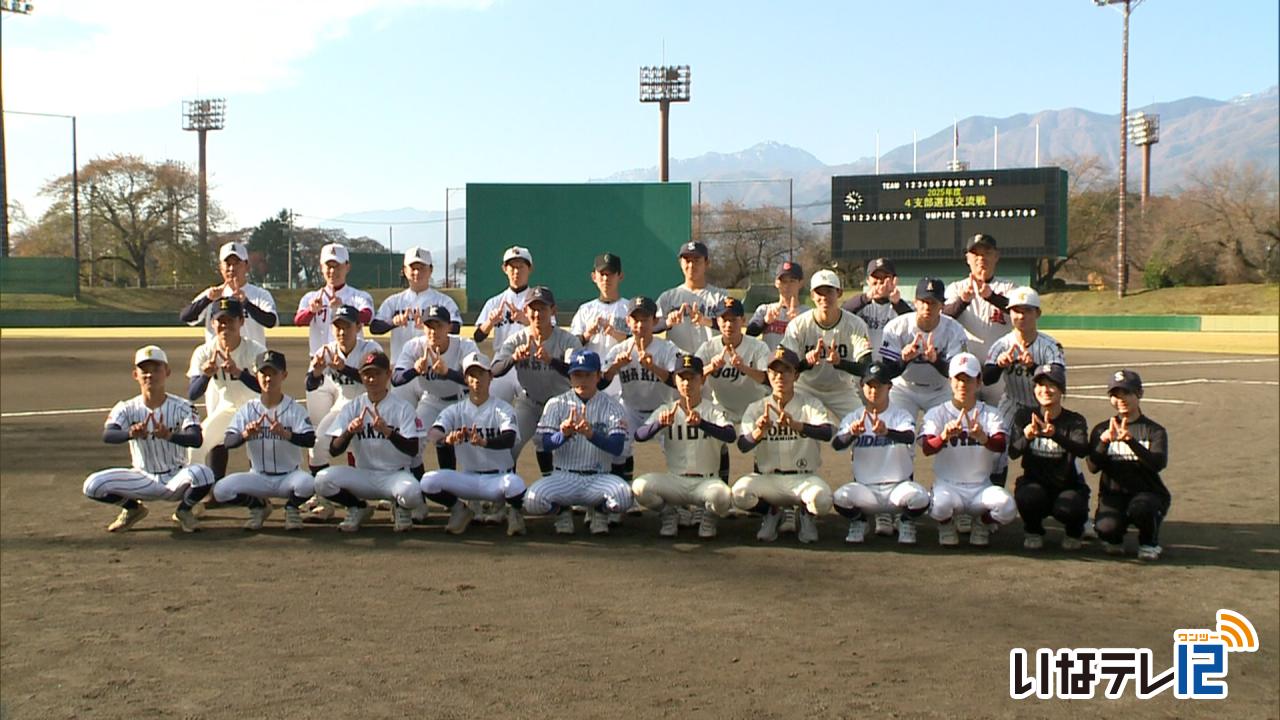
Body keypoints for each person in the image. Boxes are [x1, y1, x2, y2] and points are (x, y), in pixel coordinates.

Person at [82, 345, 215, 533]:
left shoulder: (183, 406)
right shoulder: (126, 407)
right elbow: (108, 435)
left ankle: (184, 511)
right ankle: (133, 509)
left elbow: (196, 439)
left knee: (204, 474)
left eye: (156, 370)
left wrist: (169, 436)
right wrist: (130, 434)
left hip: (175, 478)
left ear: (167, 372)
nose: (150, 375)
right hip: (141, 477)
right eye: (144, 370)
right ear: (135, 375)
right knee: (92, 485)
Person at [524, 349, 634, 535]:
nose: (582, 380)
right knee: (532, 501)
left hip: (598, 477)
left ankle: (599, 511)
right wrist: (562, 434)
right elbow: (544, 444)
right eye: (577, 375)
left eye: (588, 375)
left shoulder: (612, 406)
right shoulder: (556, 404)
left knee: (624, 497)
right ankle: (562, 512)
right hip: (564, 477)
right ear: (570, 377)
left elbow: (617, 448)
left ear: (599, 376)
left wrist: (592, 435)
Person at [732, 347, 836, 544]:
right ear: (768, 376)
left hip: (803, 478)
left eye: (786, 371)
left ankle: (806, 514)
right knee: (739, 493)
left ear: (796, 375)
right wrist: (758, 433)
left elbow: (827, 432)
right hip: (769, 479)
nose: (780, 376)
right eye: (774, 372)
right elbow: (743, 445)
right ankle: (772, 512)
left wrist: (796, 425)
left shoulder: (809, 404)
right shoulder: (756, 408)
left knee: (822, 500)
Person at [314, 351, 426, 533]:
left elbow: (413, 450)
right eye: (367, 374)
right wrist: (349, 432)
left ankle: (401, 508)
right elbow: (334, 450)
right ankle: (358, 507)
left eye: (377, 374)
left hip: (394, 475)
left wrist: (388, 432)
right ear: (360, 376)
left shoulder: (403, 408)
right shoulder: (353, 407)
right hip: (363, 475)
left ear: (388, 375)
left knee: (412, 493)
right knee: (321, 481)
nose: (371, 379)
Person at [419, 352, 528, 537]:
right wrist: (447, 439)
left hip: (498, 480)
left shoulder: (502, 408)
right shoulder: (456, 409)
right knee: (428, 482)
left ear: (490, 377)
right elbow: (433, 432)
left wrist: (484, 442)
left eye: (481, 374)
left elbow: (509, 438)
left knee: (516, 485)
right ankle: (460, 509)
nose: (476, 380)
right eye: (472, 375)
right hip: (468, 479)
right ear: (465, 379)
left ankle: (514, 512)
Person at [632, 354, 737, 539]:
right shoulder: (667, 410)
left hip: (706, 481)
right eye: (682, 378)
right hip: (676, 481)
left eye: (692, 378)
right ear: (675, 380)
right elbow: (639, 436)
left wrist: (703, 424)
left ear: (702, 379)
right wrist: (659, 425)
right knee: (640, 487)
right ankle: (669, 514)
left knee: (723, 496)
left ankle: (708, 516)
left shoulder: (713, 410)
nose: (687, 383)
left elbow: (730, 435)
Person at [920, 353, 1016, 547]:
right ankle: (946, 525)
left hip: (981, 487)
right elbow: (927, 448)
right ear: (950, 381)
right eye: (958, 379)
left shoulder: (990, 413)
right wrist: (944, 437)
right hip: (948, 485)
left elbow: (1000, 444)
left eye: (968, 380)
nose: (963, 385)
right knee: (939, 506)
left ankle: (982, 524)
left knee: (1007, 508)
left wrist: (983, 437)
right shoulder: (937, 413)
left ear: (979, 382)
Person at [214, 350, 318, 531]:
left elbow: (310, 440)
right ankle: (258, 507)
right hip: (258, 478)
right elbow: (229, 441)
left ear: (283, 375)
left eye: (273, 373)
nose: (268, 378)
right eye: (264, 373)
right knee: (221, 490)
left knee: (310, 483)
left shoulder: (294, 408)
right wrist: (245, 435)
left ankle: (291, 508)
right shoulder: (248, 409)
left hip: (289, 477)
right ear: (256, 375)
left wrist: (287, 435)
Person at [831, 362, 928, 545]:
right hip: (866, 490)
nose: (874, 390)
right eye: (869, 385)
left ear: (889, 386)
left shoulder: (900, 415)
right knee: (839, 498)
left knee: (921, 497)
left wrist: (887, 432)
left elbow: (908, 437)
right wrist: (852, 434)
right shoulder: (854, 417)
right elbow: (837, 444)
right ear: (862, 386)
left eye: (879, 385)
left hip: (897, 488)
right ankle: (859, 521)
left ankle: (906, 522)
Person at [491, 286, 582, 475]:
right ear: (526, 310)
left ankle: (557, 491)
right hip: (529, 402)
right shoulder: (517, 339)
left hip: (561, 402)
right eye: (533, 308)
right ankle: (509, 493)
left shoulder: (567, 340)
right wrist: (513, 359)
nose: (537, 313)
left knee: (564, 452)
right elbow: (495, 370)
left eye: (543, 308)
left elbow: (578, 373)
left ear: (553, 311)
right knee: (509, 447)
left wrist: (551, 361)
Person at [981, 286, 1066, 487]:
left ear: (1037, 313)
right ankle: (995, 500)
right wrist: (1000, 365)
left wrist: (1033, 368)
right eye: (1016, 311)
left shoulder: (1049, 346)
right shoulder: (1001, 345)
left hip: (1046, 406)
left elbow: (1059, 380)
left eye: (1027, 310)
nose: (1021, 316)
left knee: (1060, 447)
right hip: (1012, 402)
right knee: (996, 451)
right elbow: (986, 379)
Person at [1087, 370, 1170, 561]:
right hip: (1114, 495)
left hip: (1148, 493)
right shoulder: (1102, 429)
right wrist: (1104, 442)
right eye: (1116, 395)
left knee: (1142, 508)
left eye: (1127, 393)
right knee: (1106, 529)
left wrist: (1130, 441)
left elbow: (1158, 464)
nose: (1121, 399)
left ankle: (1149, 542)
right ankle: (1115, 535)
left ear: (1140, 394)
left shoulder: (1154, 430)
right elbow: (1092, 467)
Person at [1008, 364, 1091, 551]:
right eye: (1040, 385)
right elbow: (1013, 452)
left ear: (1062, 389)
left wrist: (1055, 434)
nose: (1045, 390)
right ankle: (1033, 530)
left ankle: (1074, 531)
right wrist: (1027, 438)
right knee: (1028, 496)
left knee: (1070, 506)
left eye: (1051, 385)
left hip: (1067, 484)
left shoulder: (1074, 420)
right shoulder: (1024, 416)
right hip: (1034, 483)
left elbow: (1082, 449)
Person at [369, 246, 462, 408]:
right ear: (404, 270)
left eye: (422, 268)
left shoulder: (443, 301)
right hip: (403, 369)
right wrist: (393, 322)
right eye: (413, 268)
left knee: (430, 419)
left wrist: (430, 326)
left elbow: (455, 327)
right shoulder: (394, 301)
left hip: (433, 371)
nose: (417, 273)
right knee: (403, 421)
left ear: (430, 270)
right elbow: (375, 327)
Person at [602, 296, 678, 493]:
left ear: (654, 322)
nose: (640, 324)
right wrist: (615, 367)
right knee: (619, 448)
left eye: (645, 319)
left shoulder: (666, 349)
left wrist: (653, 367)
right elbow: (601, 382)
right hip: (630, 408)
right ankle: (621, 494)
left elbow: (676, 381)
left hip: (661, 408)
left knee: (677, 453)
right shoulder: (620, 350)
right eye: (635, 319)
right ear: (628, 321)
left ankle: (680, 500)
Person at [187, 298, 267, 480]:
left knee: (261, 456)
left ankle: (261, 495)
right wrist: (205, 376)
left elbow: (265, 389)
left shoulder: (255, 350)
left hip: (258, 410)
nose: (225, 326)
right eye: (220, 321)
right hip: (228, 407)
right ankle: (201, 491)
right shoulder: (204, 352)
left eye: (230, 320)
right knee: (196, 447)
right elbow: (192, 393)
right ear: (213, 323)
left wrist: (238, 372)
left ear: (241, 321)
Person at [391, 305, 477, 472]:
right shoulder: (414, 347)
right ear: (423, 327)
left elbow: (475, 380)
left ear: (449, 327)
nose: (433, 331)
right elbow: (396, 379)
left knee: (471, 449)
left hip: (462, 400)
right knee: (413, 444)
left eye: (439, 326)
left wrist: (448, 373)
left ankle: (472, 493)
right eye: (429, 326)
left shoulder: (464, 346)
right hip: (431, 400)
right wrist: (414, 370)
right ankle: (416, 492)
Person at [695, 296, 770, 486]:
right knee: (713, 443)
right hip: (723, 406)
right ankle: (718, 490)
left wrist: (744, 368)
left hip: (753, 405)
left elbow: (767, 379)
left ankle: (762, 493)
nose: (728, 324)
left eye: (734, 319)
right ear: (717, 321)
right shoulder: (708, 347)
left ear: (743, 321)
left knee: (761, 443)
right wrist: (709, 368)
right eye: (724, 319)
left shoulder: (757, 346)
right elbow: (691, 379)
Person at [780, 268, 872, 420]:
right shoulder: (799, 325)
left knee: (863, 426)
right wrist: (806, 363)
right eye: (819, 292)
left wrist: (840, 363)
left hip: (842, 389)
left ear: (839, 293)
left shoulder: (855, 324)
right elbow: (785, 366)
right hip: (806, 387)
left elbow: (866, 367)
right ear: (812, 295)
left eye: (829, 291)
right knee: (791, 425)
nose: (824, 297)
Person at [305, 305, 383, 476]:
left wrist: (344, 368)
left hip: (373, 407)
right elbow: (310, 385)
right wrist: (317, 373)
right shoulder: (327, 351)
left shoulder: (371, 349)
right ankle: (322, 492)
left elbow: (377, 382)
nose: (342, 332)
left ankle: (386, 493)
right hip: (343, 406)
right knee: (317, 445)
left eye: (347, 326)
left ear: (359, 327)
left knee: (379, 454)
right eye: (338, 326)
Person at [878, 277, 969, 419]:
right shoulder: (896, 327)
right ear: (915, 302)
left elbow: (957, 373)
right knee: (899, 433)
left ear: (942, 305)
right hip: (904, 388)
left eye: (933, 303)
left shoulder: (955, 329)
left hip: (940, 390)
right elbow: (886, 372)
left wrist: (935, 360)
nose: (927, 307)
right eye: (923, 301)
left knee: (943, 434)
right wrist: (904, 360)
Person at [943, 234, 1017, 405]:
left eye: (986, 253)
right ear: (967, 258)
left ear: (996, 256)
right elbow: (943, 318)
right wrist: (963, 301)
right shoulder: (956, 288)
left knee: (1000, 421)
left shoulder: (1008, 287)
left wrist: (991, 297)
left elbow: (1018, 310)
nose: (981, 258)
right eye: (976, 254)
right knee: (964, 421)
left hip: (999, 369)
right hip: (965, 370)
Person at [472, 246, 547, 405]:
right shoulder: (495, 302)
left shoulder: (539, 300)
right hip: (503, 361)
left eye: (521, 266)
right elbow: (477, 336)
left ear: (530, 269)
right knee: (490, 405)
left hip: (530, 362)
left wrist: (526, 320)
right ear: (504, 269)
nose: (516, 271)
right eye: (512, 267)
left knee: (532, 409)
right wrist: (489, 323)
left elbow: (551, 331)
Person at [179, 241, 278, 348]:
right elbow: (186, 317)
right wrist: (207, 299)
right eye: (228, 264)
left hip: (251, 358)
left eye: (237, 263)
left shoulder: (260, 294)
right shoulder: (212, 294)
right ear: (220, 267)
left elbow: (271, 321)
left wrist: (246, 303)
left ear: (247, 266)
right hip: (219, 360)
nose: (231, 268)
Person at [294, 242, 375, 356]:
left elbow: (367, 316)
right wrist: (311, 311)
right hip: (320, 360)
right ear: (321, 268)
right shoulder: (311, 297)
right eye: (329, 266)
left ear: (347, 267)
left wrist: (344, 310)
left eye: (337, 266)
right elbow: (298, 321)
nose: (332, 271)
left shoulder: (359, 296)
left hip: (351, 360)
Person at [570, 253, 632, 392]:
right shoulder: (585, 310)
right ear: (594, 277)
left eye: (610, 274)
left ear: (620, 276)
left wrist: (617, 334)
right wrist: (587, 334)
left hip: (622, 383)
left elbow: (641, 343)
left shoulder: (629, 309)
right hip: (592, 380)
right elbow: (571, 346)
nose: (606, 279)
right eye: (602, 274)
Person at [656, 241, 729, 354]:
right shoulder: (668, 297)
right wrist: (667, 323)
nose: (691, 265)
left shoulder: (721, 296)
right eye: (687, 260)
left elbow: (734, 326)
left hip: (713, 361)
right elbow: (651, 326)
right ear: (680, 263)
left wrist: (706, 321)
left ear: (706, 263)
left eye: (696, 260)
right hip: (680, 363)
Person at [841, 257, 912, 360]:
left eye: (885, 277)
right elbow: (841, 313)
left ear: (894, 280)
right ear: (868, 281)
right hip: (864, 365)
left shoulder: (901, 306)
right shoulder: (861, 304)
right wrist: (867, 297)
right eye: (876, 278)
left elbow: (914, 325)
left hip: (892, 365)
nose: (880, 282)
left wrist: (897, 303)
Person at [746, 260, 805, 350]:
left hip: (796, 363)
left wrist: (798, 324)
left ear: (800, 283)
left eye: (792, 281)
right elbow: (749, 334)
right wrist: (765, 323)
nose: (787, 286)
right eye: (783, 281)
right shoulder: (765, 310)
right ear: (776, 283)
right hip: (769, 362)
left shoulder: (807, 313)